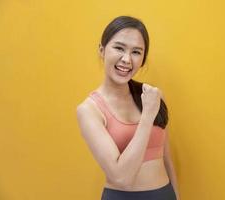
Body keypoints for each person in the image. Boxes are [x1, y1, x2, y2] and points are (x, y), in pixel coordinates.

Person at [76, 16, 179, 200]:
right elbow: (121, 178)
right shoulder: (89, 110)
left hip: (165, 194)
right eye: (119, 48)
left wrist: (176, 196)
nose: (126, 59)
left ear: (143, 59)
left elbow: (166, 157)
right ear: (102, 50)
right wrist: (147, 116)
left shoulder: (153, 96)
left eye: (136, 52)